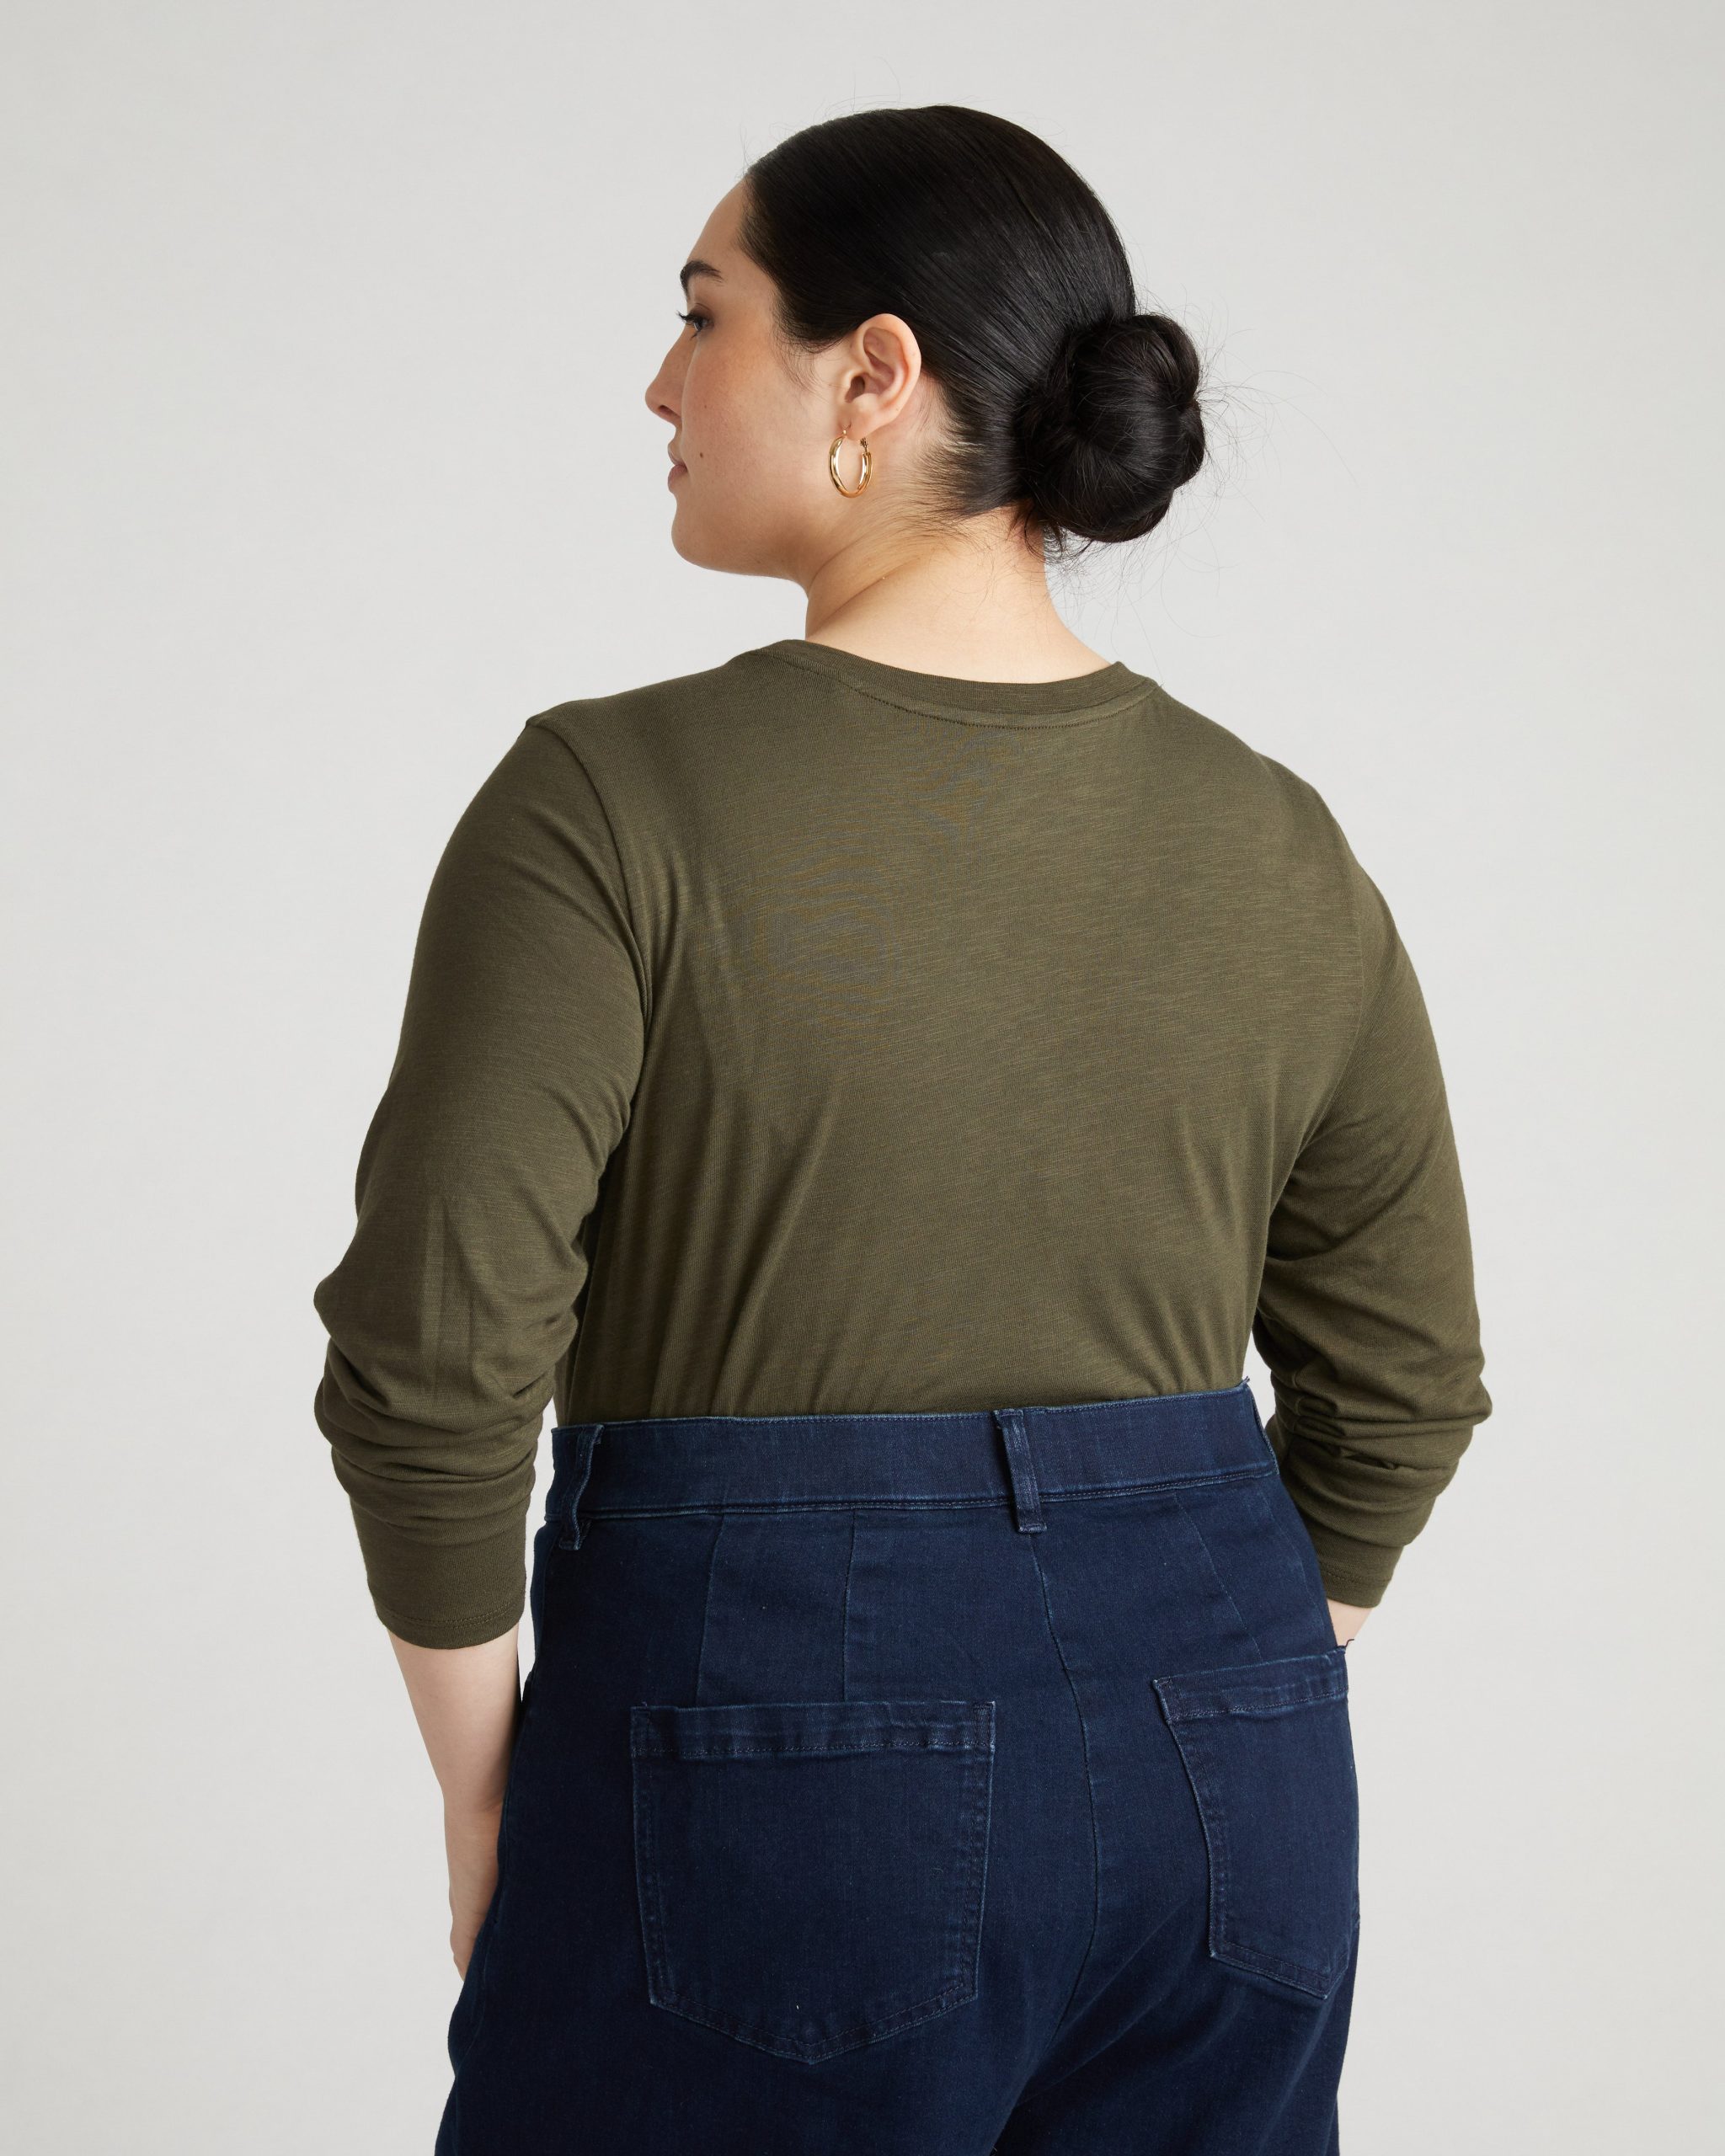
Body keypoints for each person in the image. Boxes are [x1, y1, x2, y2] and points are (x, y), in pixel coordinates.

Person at [311, 103, 1491, 2156]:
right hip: (1235, 1789)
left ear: (873, 373)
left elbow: (433, 1360)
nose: (660, 382)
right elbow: (1403, 1378)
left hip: (768, 1763)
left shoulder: (609, 803)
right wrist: (1200, 1677)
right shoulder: (1272, 835)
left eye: (704, 315)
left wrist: (488, 1795)